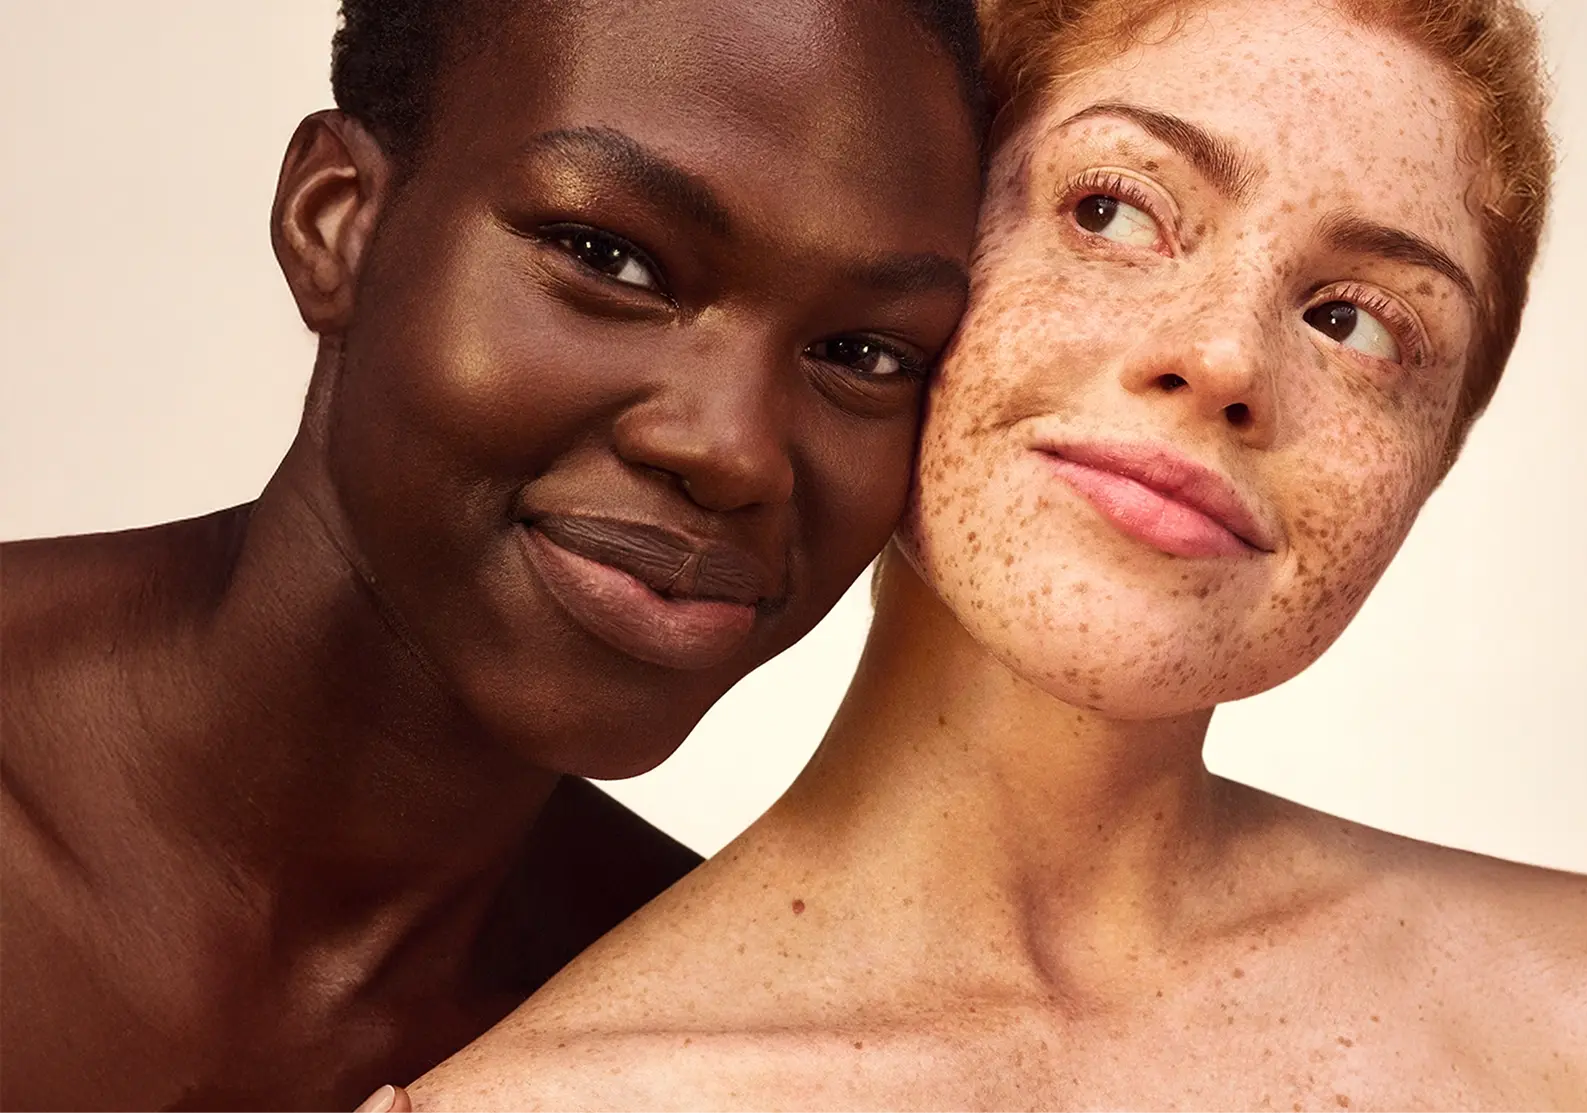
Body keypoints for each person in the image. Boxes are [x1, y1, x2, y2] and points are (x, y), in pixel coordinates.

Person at [393, 0, 1587, 1109]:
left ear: (1435, 459)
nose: (1226, 357)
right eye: (1113, 209)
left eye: (1356, 321)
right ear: (919, 258)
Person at [0, 0, 986, 1108]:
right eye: (608, 259)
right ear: (338, 221)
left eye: (864, 353)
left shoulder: (713, 1053)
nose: (733, 450)